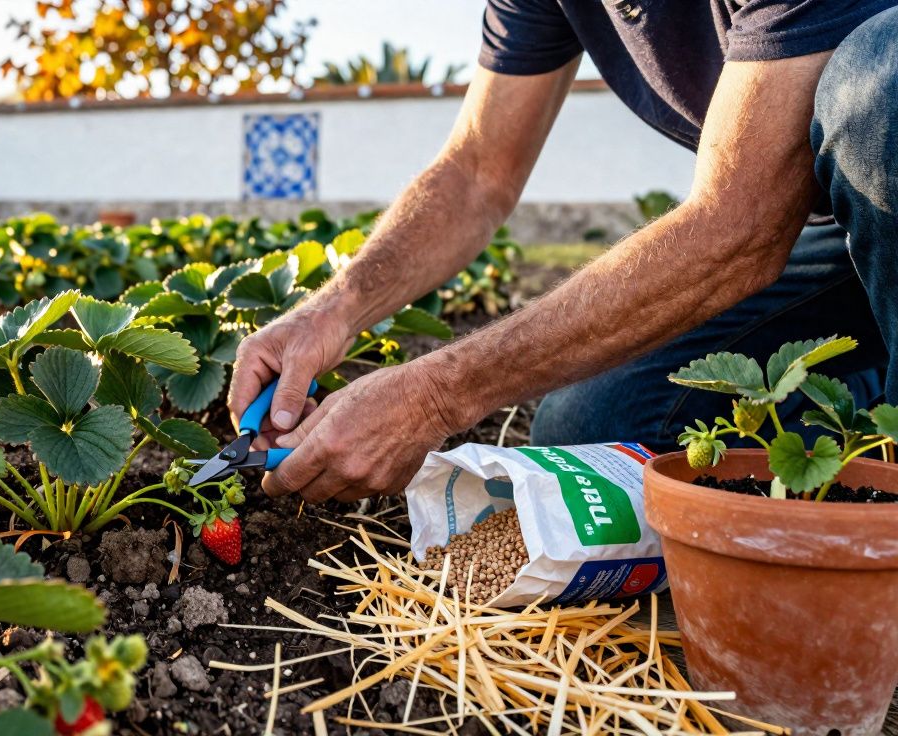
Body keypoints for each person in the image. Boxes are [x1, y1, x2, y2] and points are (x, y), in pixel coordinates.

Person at [227, 1, 898, 504]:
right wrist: (331, 312)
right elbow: (476, 172)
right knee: (593, 431)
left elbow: (737, 227)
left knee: (881, 84)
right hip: (836, 228)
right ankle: (856, 439)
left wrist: (432, 396)